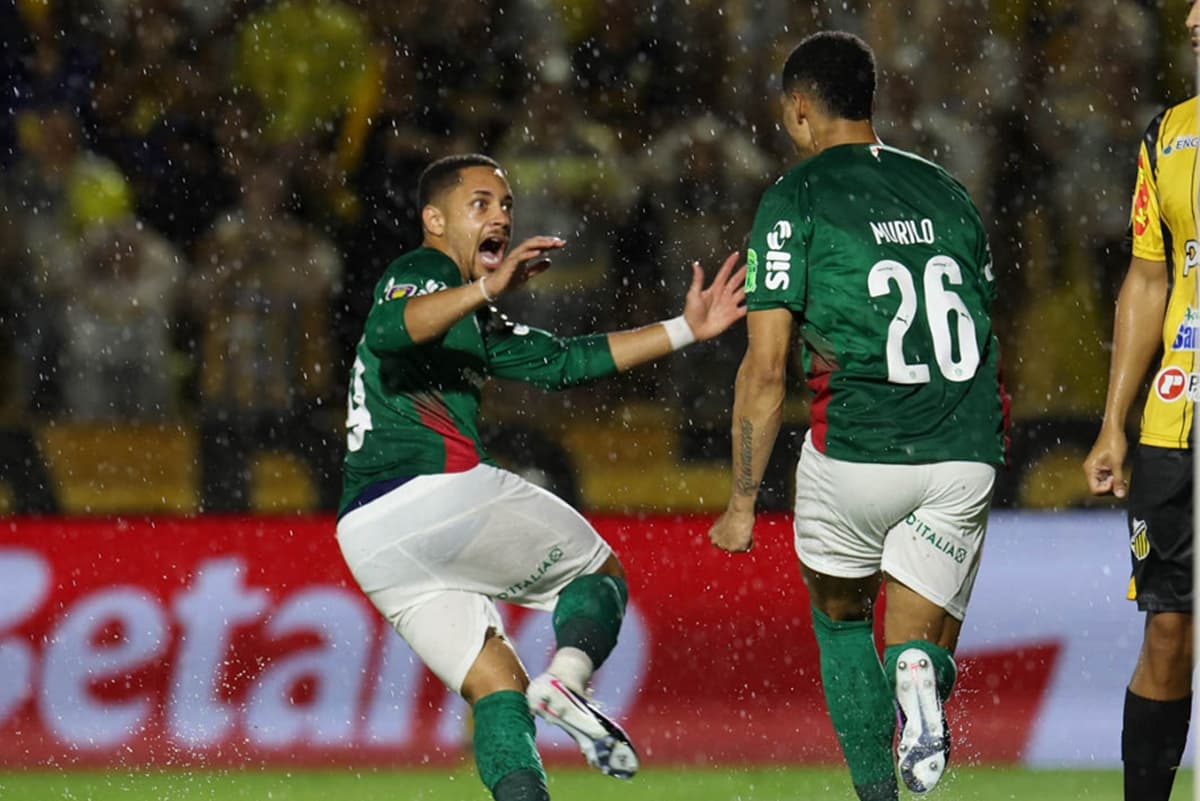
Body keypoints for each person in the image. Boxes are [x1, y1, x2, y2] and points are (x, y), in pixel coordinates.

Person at [334, 153, 746, 801]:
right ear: (434, 220)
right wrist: (484, 289)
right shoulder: (424, 269)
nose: (500, 214)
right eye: (480, 204)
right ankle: (569, 679)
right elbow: (389, 329)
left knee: (497, 688)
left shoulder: (469, 313)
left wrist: (684, 328)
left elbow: (562, 363)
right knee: (599, 574)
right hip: (434, 490)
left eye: (505, 205)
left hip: (369, 536)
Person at [707, 32, 1006, 800]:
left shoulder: (793, 198)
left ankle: (877, 793)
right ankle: (920, 677)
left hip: (857, 449)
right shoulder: (947, 189)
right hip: (959, 442)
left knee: (842, 621)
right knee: (919, 641)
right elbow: (981, 321)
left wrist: (743, 499)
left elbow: (765, 370)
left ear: (800, 109)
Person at [1082, 4, 1200, 798]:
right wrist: (1112, 422)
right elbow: (1147, 279)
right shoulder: (1168, 136)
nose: (1191, 18)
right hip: (1176, 418)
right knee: (1168, 632)